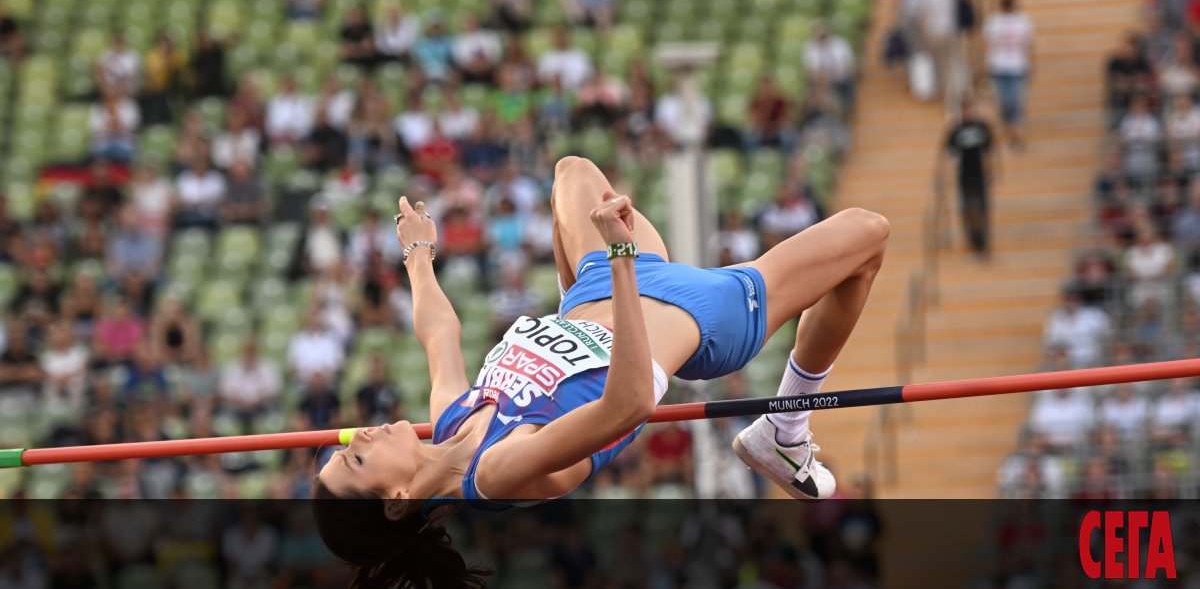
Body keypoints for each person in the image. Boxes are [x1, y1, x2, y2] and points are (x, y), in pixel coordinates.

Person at [312, 156, 890, 585]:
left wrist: (417, 254)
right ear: (396, 497)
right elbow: (630, 403)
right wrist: (619, 258)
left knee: (573, 172)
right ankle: (785, 433)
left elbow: (439, 332)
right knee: (867, 235)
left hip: (602, 289)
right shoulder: (495, 470)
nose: (359, 435)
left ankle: (776, 427)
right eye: (356, 458)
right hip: (697, 315)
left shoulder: (450, 421)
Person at [937, 97, 997, 258]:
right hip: (965, 175)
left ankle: (983, 240)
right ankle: (973, 240)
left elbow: (990, 151)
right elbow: (947, 153)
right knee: (969, 208)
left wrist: (993, 172)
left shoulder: (982, 127)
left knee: (982, 209)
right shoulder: (956, 130)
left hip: (980, 174)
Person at [983, 0, 1034, 150]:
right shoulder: (994, 21)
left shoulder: (1023, 21)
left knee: (1016, 101)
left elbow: (1028, 45)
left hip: (1017, 66)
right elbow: (987, 45)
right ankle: (1009, 125)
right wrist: (984, 65)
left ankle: (1017, 135)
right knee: (1004, 101)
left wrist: (1031, 64)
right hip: (999, 66)